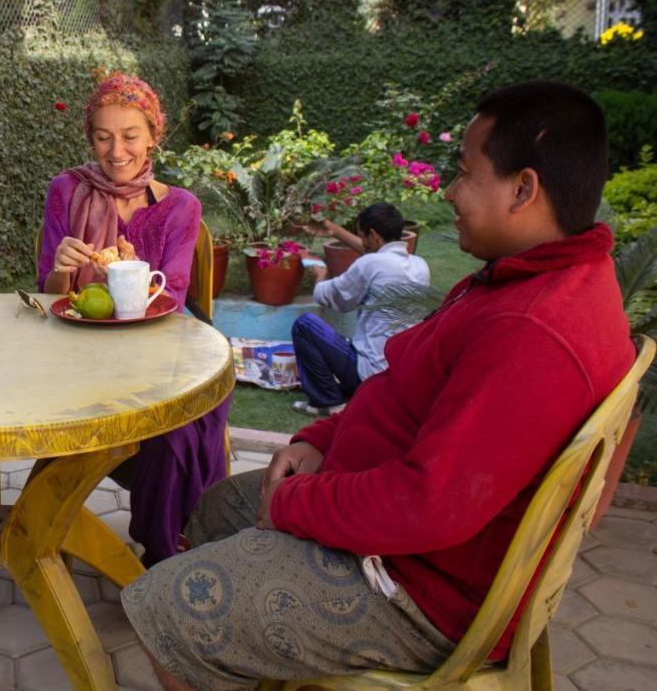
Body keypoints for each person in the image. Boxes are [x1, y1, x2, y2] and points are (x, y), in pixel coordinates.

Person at [121, 81, 636, 690]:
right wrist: (321, 437)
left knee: (167, 609)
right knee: (214, 508)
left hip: (419, 590)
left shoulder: (532, 331)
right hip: (403, 532)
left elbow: (428, 507)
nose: (449, 192)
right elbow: (408, 391)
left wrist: (293, 505)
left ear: (523, 189)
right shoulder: (533, 281)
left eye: (467, 174)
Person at [37, 72, 226, 566]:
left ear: (153, 135)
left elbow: (175, 296)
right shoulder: (65, 191)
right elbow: (48, 296)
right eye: (103, 136)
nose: (116, 150)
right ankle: (41, 520)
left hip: (156, 352)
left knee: (179, 421)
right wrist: (62, 269)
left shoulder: (181, 207)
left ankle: (160, 547)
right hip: (76, 352)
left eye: (130, 136)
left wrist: (129, 276)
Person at [291, 203, 430, 416]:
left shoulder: (370, 264)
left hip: (369, 375)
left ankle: (326, 400)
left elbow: (331, 298)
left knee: (305, 325)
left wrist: (321, 275)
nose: (362, 243)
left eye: (363, 236)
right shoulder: (420, 265)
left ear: (373, 235)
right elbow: (376, 254)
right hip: (401, 376)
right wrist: (335, 230)